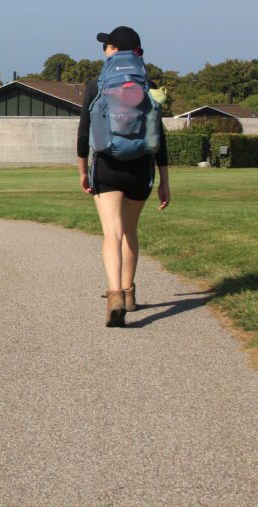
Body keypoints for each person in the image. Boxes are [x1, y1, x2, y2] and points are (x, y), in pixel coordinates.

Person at [76, 26, 170, 327]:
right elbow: (160, 136)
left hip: (107, 165)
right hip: (140, 167)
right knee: (130, 231)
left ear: (114, 50)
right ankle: (129, 294)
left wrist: (82, 171)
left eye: (107, 45)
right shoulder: (149, 85)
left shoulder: (96, 85)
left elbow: (83, 133)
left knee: (112, 233)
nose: (104, 49)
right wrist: (165, 180)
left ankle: (114, 294)